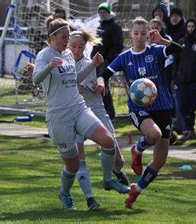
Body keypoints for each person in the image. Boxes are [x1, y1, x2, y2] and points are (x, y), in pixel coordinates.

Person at [33, 18, 129, 210]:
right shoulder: (44, 55)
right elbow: (36, 79)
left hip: (79, 108)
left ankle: (108, 179)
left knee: (108, 141)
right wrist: (49, 67)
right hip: (59, 117)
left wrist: (92, 65)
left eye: (68, 36)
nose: (66, 41)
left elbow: (74, 78)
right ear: (52, 37)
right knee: (73, 165)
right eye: (63, 37)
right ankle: (65, 193)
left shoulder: (68, 54)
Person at [98, 17, 182, 208]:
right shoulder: (125, 57)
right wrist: (101, 81)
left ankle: (137, 190)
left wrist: (163, 41)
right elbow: (105, 73)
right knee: (154, 135)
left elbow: (179, 50)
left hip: (162, 106)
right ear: (131, 34)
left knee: (160, 160)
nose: (139, 37)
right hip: (139, 109)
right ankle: (138, 148)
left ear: (148, 34)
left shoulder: (156, 51)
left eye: (143, 33)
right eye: (136, 33)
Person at [72, 29, 130, 210]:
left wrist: (100, 81)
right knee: (77, 158)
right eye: (73, 46)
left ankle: (114, 172)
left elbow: (80, 87)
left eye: (80, 46)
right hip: (74, 112)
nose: (76, 50)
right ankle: (90, 199)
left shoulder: (89, 65)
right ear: (67, 45)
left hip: (95, 109)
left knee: (119, 159)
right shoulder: (62, 63)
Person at [91, 2, 124, 120]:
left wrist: (109, 59)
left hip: (106, 61)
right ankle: (102, 112)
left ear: (109, 13)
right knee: (98, 86)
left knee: (103, 85)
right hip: (96, 61)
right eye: (100, 12)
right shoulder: (100, 26)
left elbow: (118, 45)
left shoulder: (115, 27)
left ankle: (110, 113)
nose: (102, 14)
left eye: (104, 12)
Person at [175, 18, 196, 142]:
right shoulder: (181, 42)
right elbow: (176, 62)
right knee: (182, 105)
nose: (190, 28)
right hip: (181, 80)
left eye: (192, 26)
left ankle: (190, 129)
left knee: (192, 106)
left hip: (193, 80)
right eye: (188, 26)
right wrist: (175, 77)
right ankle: (186, 129)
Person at [167, 7, 186, 133]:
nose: (174, 18)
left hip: (179, 69)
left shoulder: (184, 32)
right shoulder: (166, 31)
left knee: (177, 97)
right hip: (167, 68)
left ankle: (181, 125)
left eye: (177, 16)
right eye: (172, 15)